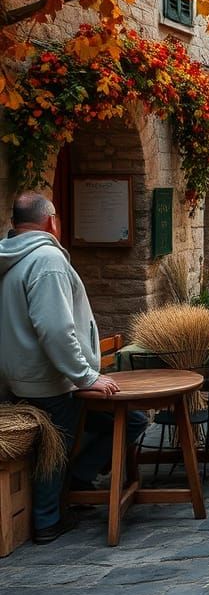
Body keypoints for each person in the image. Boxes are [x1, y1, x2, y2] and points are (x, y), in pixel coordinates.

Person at [0, 193, 148, 543]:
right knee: (58, 445)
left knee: (122, 423)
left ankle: (78, 482)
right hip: (50, 379)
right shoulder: (46, 260)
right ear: (51, 221)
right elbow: (54, 328)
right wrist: (86, 376)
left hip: (20, 375)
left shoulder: (11, 257)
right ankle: (48, 519)